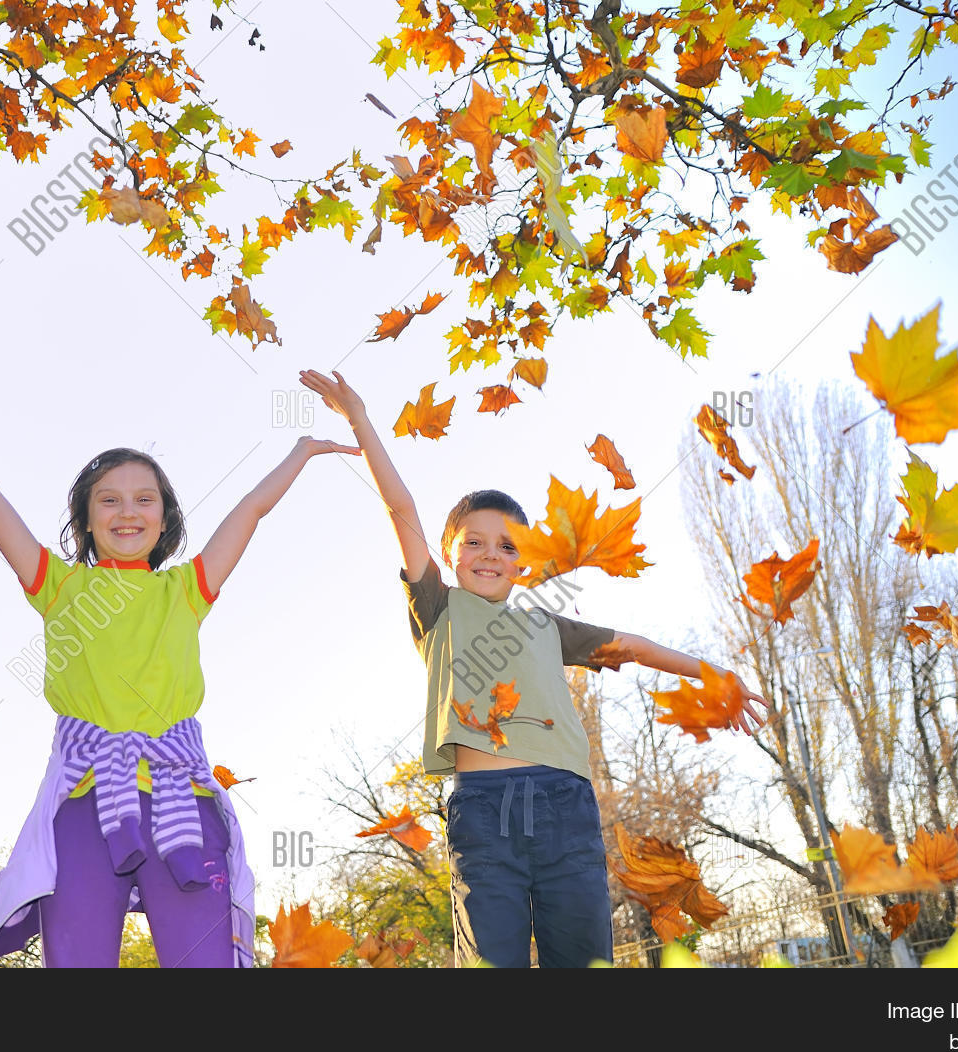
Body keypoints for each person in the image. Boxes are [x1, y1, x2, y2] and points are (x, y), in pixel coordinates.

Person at [0, 385, 358, 967]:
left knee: (206, 959)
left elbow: (251, 510)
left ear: (164, 518)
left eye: (144, 499)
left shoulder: (186, 591)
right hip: (86, 799)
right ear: (85, 521)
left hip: (179, 797)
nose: (127, 511)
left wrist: (301, 452)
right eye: (108, 501)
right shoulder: (61, 588)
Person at [298, 368, 770, 968]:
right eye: (474, 542)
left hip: (564, 805)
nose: (490, 553)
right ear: (449, 554)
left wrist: (713, 675)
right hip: (484, 811)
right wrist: (361, 420)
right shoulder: (437, 606)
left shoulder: (550, 625)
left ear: (525, 563)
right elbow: (400, 506)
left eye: (507, 545)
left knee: (580, 954)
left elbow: (635, 645)